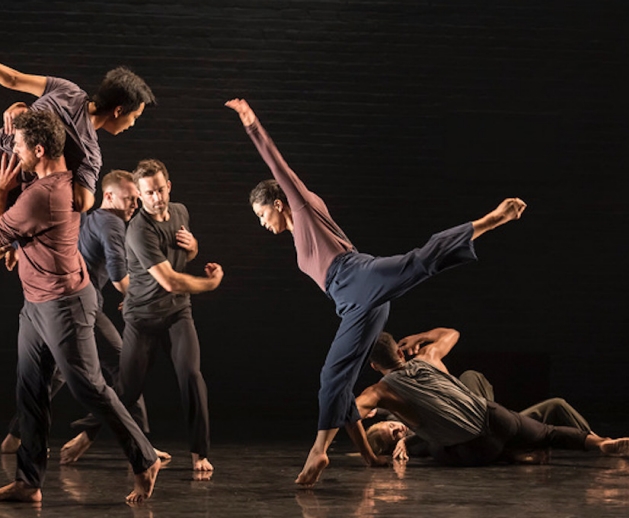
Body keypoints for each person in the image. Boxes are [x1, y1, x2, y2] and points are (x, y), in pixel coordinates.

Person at [225, 98, 528, 487]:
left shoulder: (301, 207)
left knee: (418, 262)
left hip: (357, 277)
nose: (262, 224)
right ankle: (366, 455)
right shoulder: (299, 229)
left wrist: (252, 125)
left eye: (261, 215)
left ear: (278, 203)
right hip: (352, 305)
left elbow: (277, 166)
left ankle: (489, 220)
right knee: (336, 378)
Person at [0, 110, 160, 504]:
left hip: (64, 305)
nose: (16, 154)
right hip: (35, 304)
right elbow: (52, 151)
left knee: (89, 387)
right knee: (30, 389)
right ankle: (29, 481)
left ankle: (144, 458)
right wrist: (17, 123)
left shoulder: (44, 196)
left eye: (22, 148)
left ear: (41, 149)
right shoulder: (56, 176)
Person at [0, 39, 155, 265]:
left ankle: (14, 241)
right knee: (74, 215)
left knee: (49, 186)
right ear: (118, 111)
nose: (132, 124)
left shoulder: (68, 89)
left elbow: (12, 78)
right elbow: (83, 203)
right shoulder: (89, 152)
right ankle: (14, 242)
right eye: (134, 117)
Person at [62, 158, 224, 473]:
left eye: (160, 190)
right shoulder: (137, 229)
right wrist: (211, 283)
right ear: (141, 193)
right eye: (148, 193)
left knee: (191, 375)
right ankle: (87, 435)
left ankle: (199, 453)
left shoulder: (180, 212)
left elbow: (183, 254)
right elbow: (170, 280)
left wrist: (193, 247)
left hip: (177, 312)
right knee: (126, 389)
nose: (155, 198)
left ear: (169, 187)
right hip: (142, 319)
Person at [0, 169, 170, 462]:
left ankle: (16, 433)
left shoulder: (90, 219)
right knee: (124, 365)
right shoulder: (112, 223)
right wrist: (134, 299)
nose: (134, 205)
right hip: (80, 308)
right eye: (130, 199)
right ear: (110, 196)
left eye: (135, 199)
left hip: (59, 306)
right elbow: (117, 272)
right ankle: (141, 445)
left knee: (58, 374)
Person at [352, 330, 629, 469]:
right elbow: (451, 333)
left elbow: (347, 412)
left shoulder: (380, 392)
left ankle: (518, 456)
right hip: (494, 417)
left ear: (375, 366)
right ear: (400, 352)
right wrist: (420, 337)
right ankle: (599, 443)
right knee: (550, 433)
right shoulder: (428, 357)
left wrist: (369, 457)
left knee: (440, 448)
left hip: (475, 447)